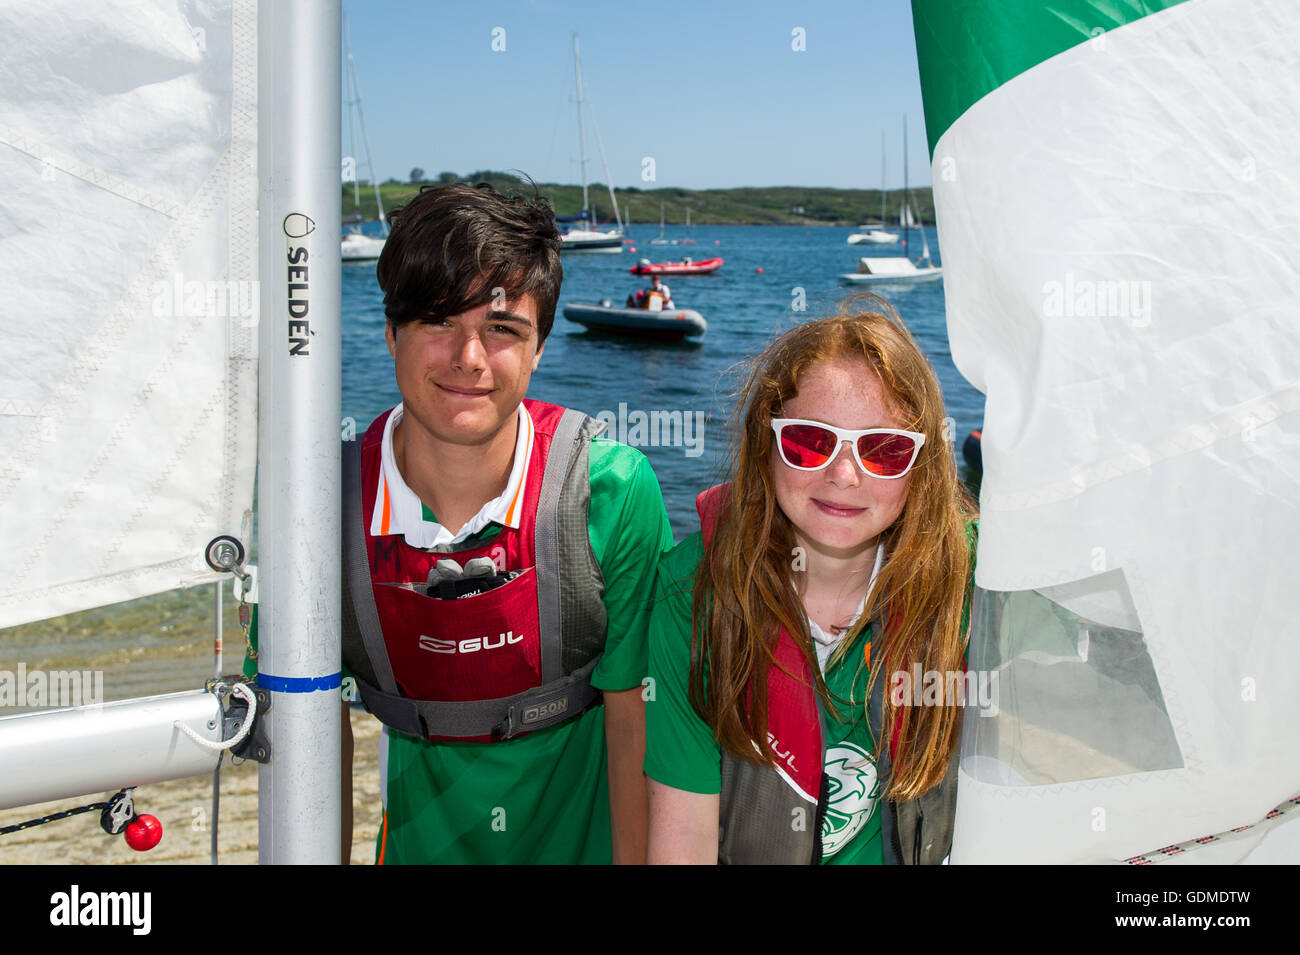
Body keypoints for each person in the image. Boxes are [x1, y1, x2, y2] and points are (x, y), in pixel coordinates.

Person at [339, 181, 674, 864]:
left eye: (500, 329)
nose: (468, 357)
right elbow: (308, 733)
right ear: (390, 330)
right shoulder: (323, 505)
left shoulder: (610, 492)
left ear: (539, 346)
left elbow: (636, 725)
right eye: (438, 320)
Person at [643, 295, 977, 864]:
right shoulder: (692, 596)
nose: (843, 475)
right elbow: (684, 839)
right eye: (809, 441)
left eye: (885, 449)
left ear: (920, 466)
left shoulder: (975, 580)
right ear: (766, 443)